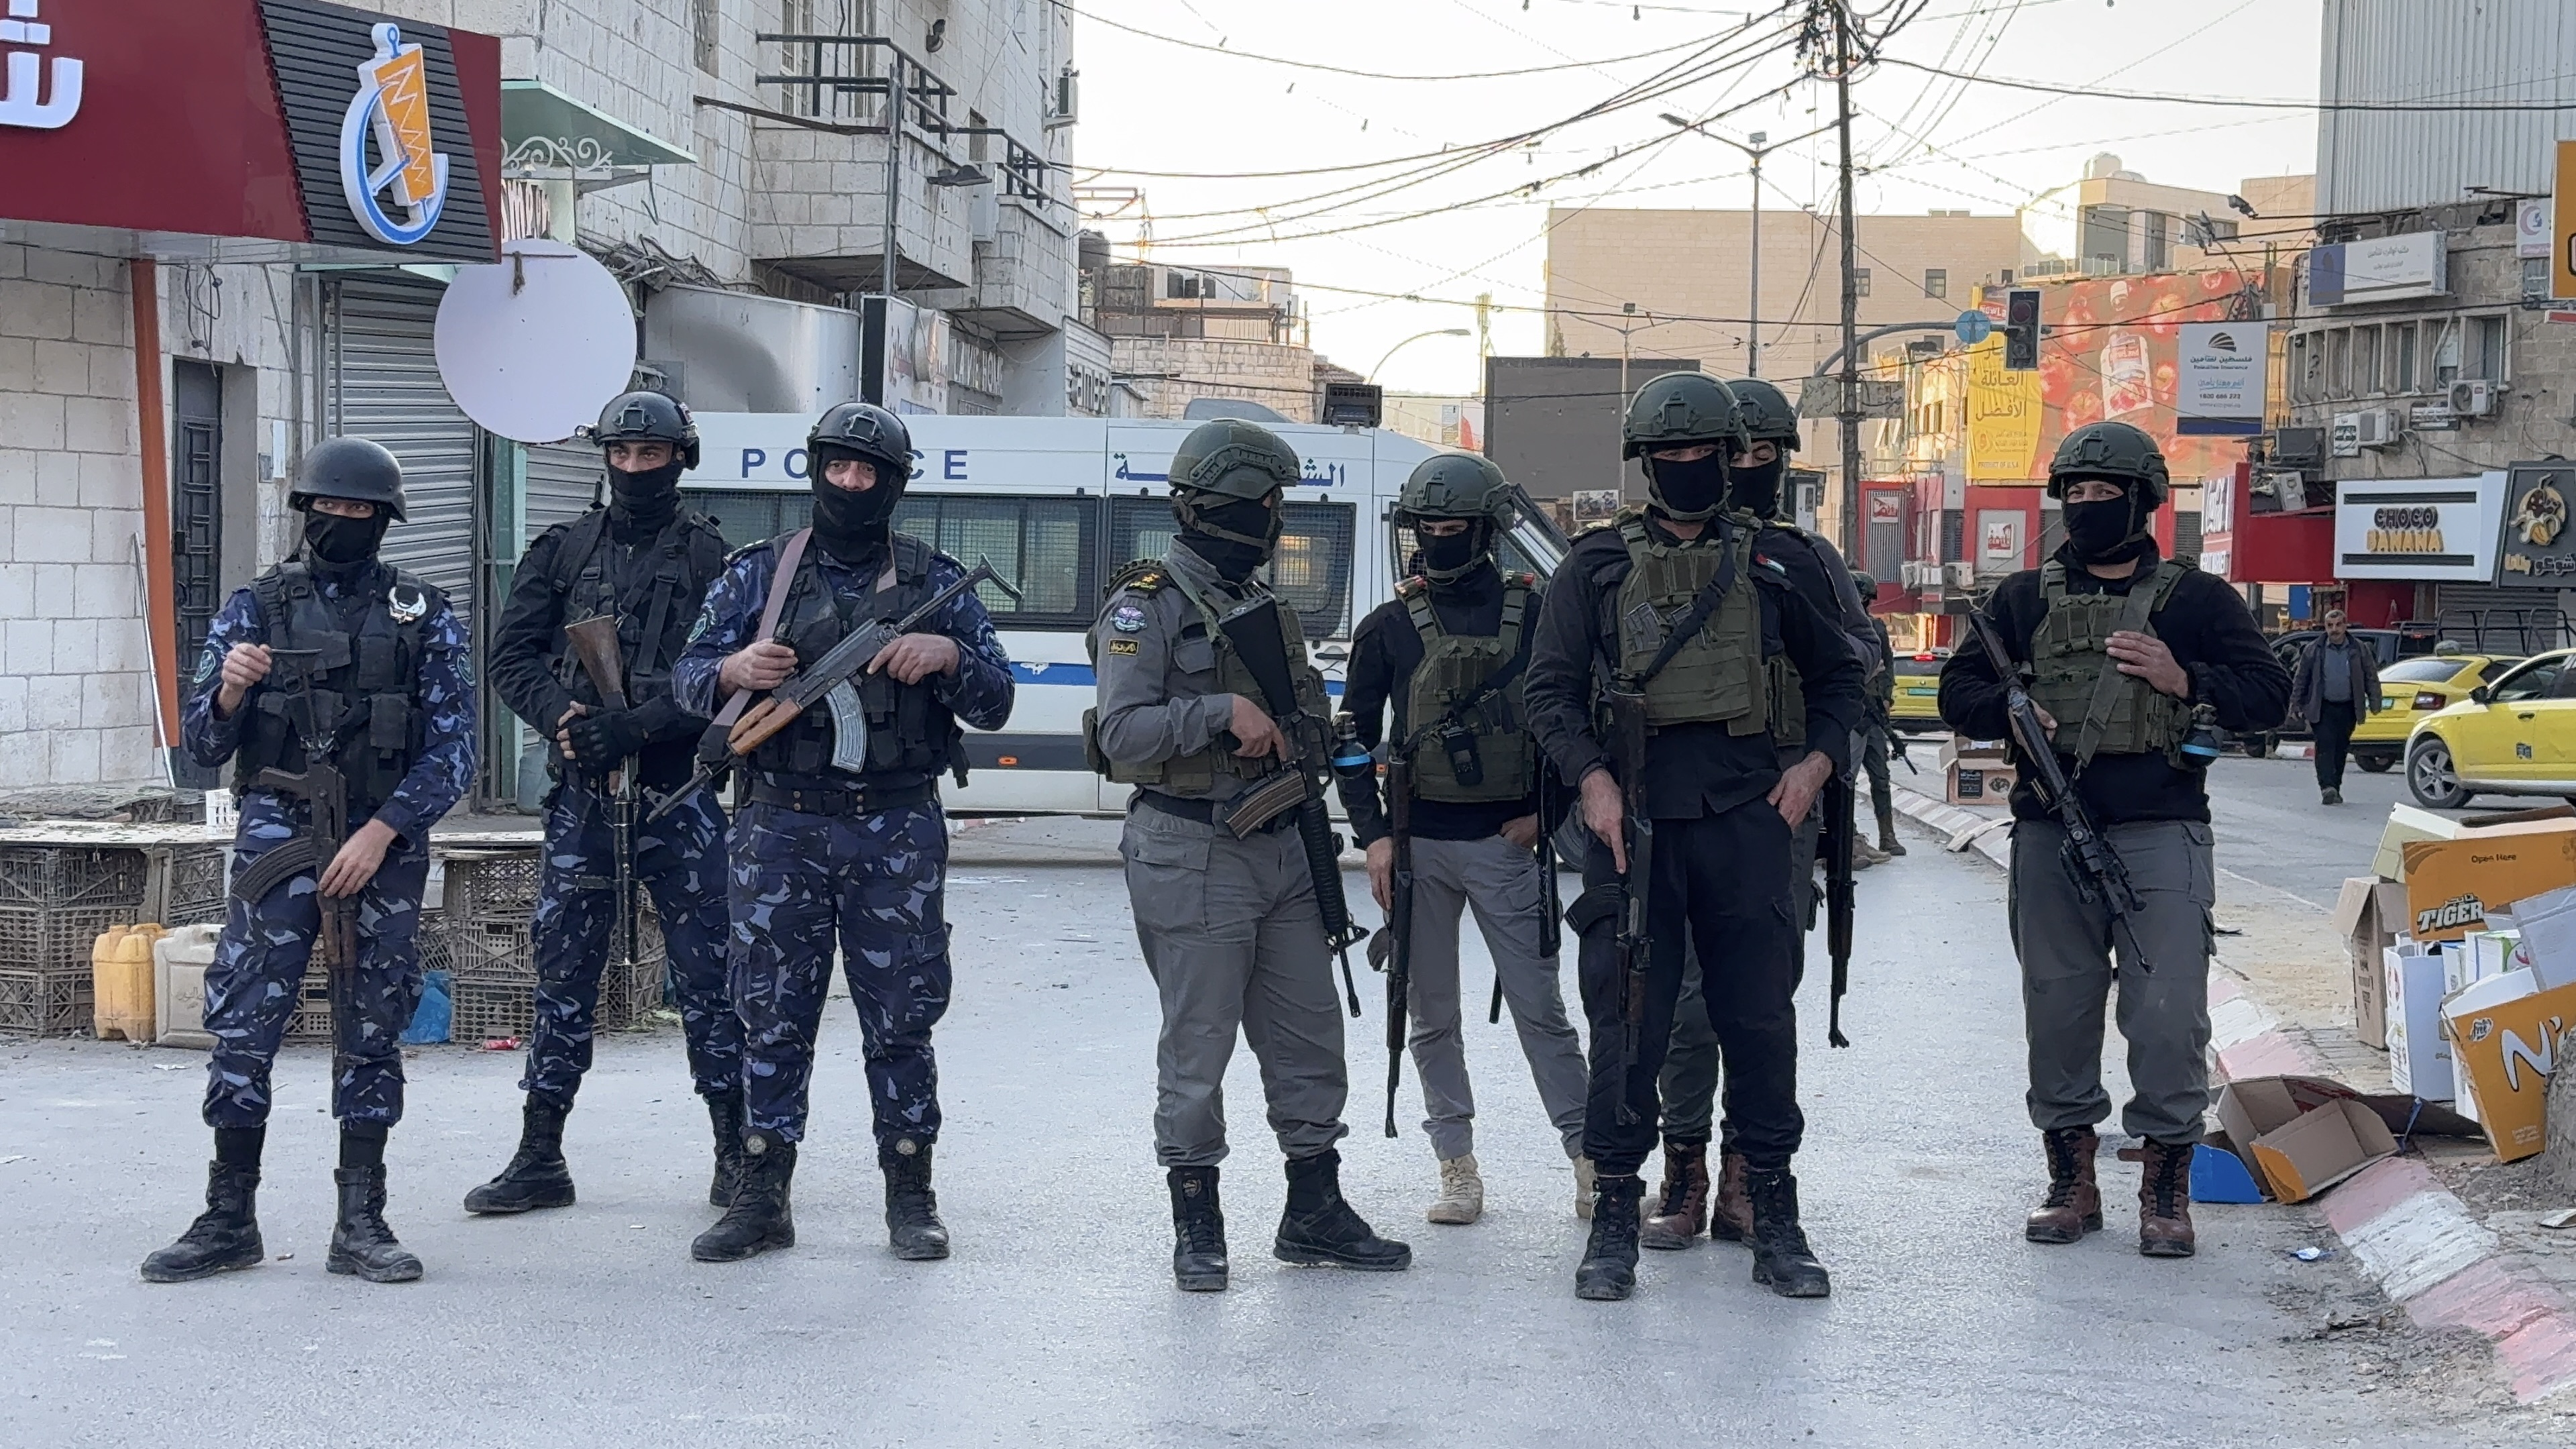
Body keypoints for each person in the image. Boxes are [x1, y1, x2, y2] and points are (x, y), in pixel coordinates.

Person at [1524, 371, 1865, 1302]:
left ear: (1729, 457)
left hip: (1748, 820)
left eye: (1701, 454)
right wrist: (1591, 779)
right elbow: (1547, 692)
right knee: (1627, 1027)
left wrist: (1812, 770)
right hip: (1631, 827)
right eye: (1667, 456)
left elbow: (1844, 682)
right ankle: (1614, 1225)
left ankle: (1776, 1221)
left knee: (1759, 1024)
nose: (1685, 468)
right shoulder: (1592, 568)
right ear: (1645, 465)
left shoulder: (1778, 563)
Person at [672, 400, 1016, 1265]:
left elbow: (999, 698)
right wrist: (732, 670)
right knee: (769, 1016)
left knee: (900, 1019)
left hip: (894, 827)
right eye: (836, 467)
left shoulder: (932, 579)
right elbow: (683, 677)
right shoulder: (760, 576)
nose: (849, 484)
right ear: (815, 469)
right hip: (778, 824)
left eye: (867, 473)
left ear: (892, 485)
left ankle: (910, 1192)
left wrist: (950, 659)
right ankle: (762, 1193)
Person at [1937, 421, 2289, 1258]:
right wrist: (2012, 712)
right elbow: (1959, 691)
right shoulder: (2020, 600)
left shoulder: (2197, 601)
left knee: (2167, 1013)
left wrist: (2184, 678)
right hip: (2049, 832)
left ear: (2143, 502)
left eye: (2104, 494)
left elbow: (2272, 697)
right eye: (2075, 494)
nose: (2087, 507)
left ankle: (2166, 1183)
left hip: (2160, 830)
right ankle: (2071, 1178)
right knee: (2058, 1011)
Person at [1089, 418, 1411, 1293]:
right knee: (1198, 1049)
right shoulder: (1144, 605)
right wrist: (1217, 714)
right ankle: (1198, 1222)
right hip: (1192, 848)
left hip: (1282, 847)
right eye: (1271, 507)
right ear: (1241, 507)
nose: (1276, 522)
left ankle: (1314, 1211)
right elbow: (1119, 733)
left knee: (1311, 1036)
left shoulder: (1260, 605)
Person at [144, 437, 476, 1285]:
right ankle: (229, 1213)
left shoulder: (424, 614)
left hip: (381, 848)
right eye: (329, 508)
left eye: (360, 510)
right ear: (306, 512)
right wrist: (229, 688)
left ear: (383, 520)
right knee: (246, 1019)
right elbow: (207, 746)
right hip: (277, 833)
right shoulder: (256, 607)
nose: (342, 521)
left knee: (373, 1024)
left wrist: (384, 831)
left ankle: (360, 1218)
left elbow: (454, 753)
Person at [470, 392, 739, 1221]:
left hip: (677, 794)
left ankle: (738, 1151)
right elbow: (510, 656)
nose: (633, 469)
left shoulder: (711, 560)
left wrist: (641, 725)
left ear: (679, 460)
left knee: (711, 978)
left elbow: (732, 670)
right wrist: (565, 719)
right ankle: (541, 1152)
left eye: (649, 456)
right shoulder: (562, 550)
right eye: (620, 455)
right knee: (564, 974)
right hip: (586, 793)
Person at [1637, 375, 1878, 1258]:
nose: (1737, 467)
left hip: (1775, 808)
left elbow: (1854, 673)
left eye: (1756, 453)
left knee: (1760, 1002)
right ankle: (1685, 1169)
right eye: (1723, 450)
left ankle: (1750, 1174)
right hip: (1681, 805)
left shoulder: (1798, 561)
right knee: (1679, 999)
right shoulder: (1648, 556)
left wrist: (1815, 765)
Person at [1336, 450, 1591, 1225]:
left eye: (1452, 528)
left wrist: (1546, 818)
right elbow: (1352, 740)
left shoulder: (1541, 611)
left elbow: (1574, 720)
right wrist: (1375, 837)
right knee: (1430, 1015)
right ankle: (1456, 1165)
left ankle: (1588, 1160)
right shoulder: (1387, 628)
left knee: (1539, 1010)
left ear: (1485, 531)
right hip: (1415, 849)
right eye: (1427, 527)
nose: (1437, 540)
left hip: (1504, 843)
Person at [2290, 609, 2377, 806]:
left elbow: (2370, 675)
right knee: (2325, 745)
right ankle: (2326, 787)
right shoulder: (2314, 650)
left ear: (2345, 626)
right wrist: (2295, 704)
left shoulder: (2358, 649)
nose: (2334, 630)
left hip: (2348, 707)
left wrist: (2374, 701)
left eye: (2338, 625)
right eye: (2330, 626)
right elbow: (2301, 679)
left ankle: (2335, 787)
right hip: (2322, 707)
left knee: (2340, 747)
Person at [1848, 570, 1903, 862]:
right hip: (1852, 716)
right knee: (1847, 779)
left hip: (1874, 717)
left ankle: (1888, 835)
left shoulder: (1876, 629)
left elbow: (1888, 666)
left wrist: (1885, 698)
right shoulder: (1841, 626)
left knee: (1880, 777)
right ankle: (1849, 836)